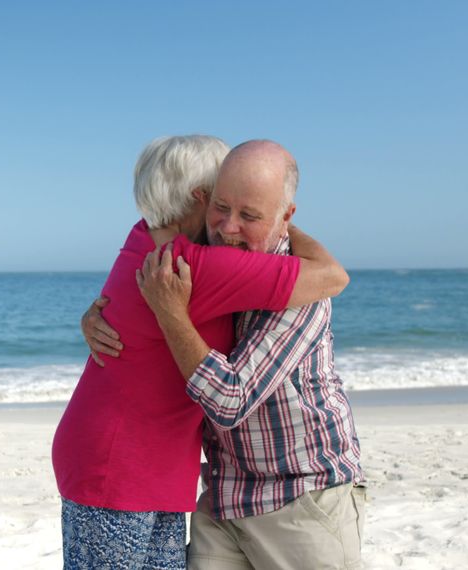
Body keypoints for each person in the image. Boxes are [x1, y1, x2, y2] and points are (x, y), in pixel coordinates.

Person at [53, 135, 349, 569]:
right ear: (201, 196)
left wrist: (282, 221)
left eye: (247, 211)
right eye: (221, 202)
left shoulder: (142, 239)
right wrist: (281, 222)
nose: (229, 223)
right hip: (120, 469)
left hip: (143, 467)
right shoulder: (193, 266)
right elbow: (333, 276)